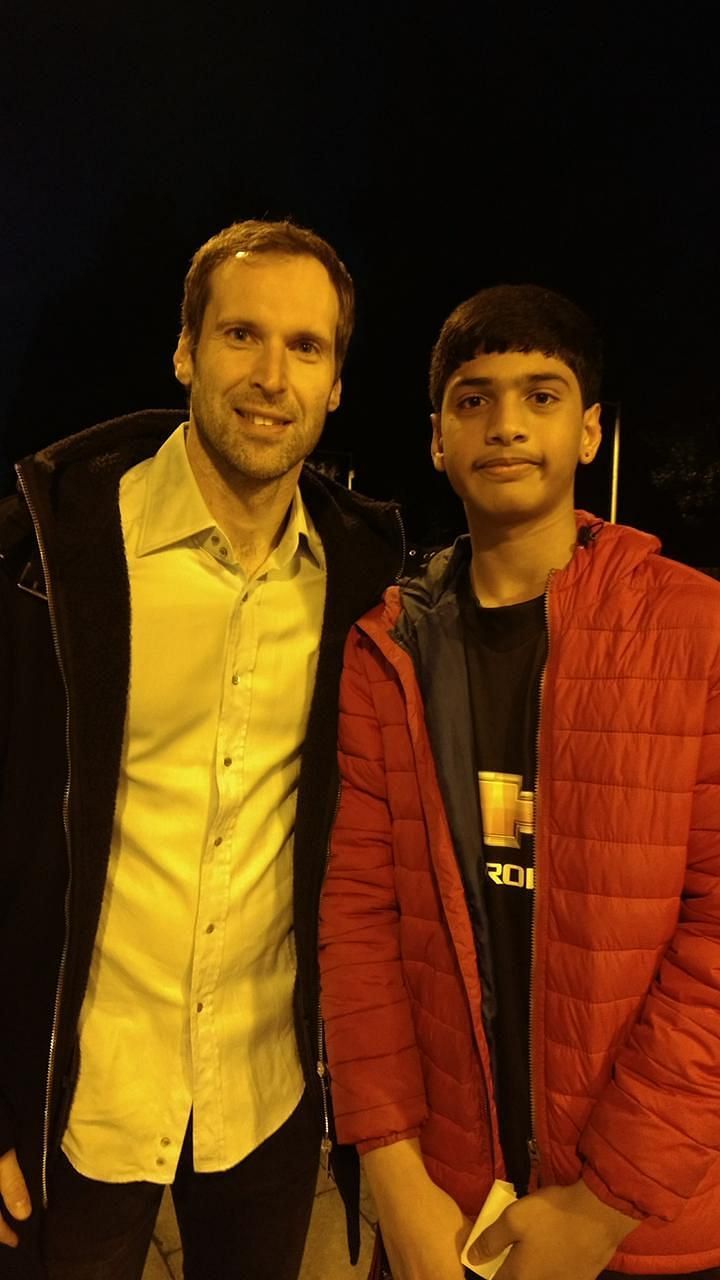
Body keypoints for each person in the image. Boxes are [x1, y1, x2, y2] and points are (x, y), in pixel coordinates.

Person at [0, 217, 404, 1280]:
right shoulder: (44, 560)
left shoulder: (360, 583)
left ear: (337, 383)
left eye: (306, 347)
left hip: (263, 1102)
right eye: (241, 335)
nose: (272, 376)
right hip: (79, 1098)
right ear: (185, 351)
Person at [319, 284, 720, 1280]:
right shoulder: (386, 649)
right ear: (437, 441)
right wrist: (394, 1173)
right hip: (449, 1209)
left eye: (541, 396)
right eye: (474, 398)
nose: (505, 424)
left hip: (646, 1218)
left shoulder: (695, 628)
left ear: (589, 431)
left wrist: (604, 1202)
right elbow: (358, 920)